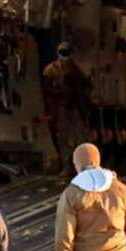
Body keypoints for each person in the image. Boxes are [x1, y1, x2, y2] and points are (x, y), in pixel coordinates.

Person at [43, 42, 92, 176]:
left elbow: (85, 85)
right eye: (63, 52)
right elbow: (47, 88)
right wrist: (58, 93)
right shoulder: (52, 69)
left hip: (75, 107)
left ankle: (81, 166)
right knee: (63, 138)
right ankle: (66, 166)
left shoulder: (76, 69)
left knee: (80, 138)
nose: (64, 56)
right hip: (62, 106)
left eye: (66, 52)